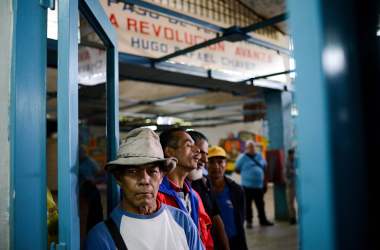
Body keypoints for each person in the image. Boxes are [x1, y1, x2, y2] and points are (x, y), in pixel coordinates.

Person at [85, 128, 204, 250]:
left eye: (152, 171)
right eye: (132, 171)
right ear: (119, 178)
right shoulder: (102, 237)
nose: (145, 180)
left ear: (162, 176)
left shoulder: (183, 222)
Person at [158, 128, 213, 250]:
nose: (197, 150)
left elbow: (206, 240)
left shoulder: (194, 196)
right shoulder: (155, 197)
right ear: (169, 152)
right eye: (188, 145)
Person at [188, 131, 230, 250]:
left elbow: (215, 216)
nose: (205, 159)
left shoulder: (203, 182)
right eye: (200, 152)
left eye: (206, 154)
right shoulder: (172, 190)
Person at [207, 146, 248, 250]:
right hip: (211, 243)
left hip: (235, 241)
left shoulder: (236, 190)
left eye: (220, 162)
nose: (216, 166)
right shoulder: (201, 190)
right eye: (211, 162)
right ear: (206, 165)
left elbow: (241, 218)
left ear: (226, 165)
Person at [235, 140, 274, 228]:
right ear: (246, 148)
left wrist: (265, 182)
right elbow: (237, 169)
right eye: (250, 147)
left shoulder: (259, 156)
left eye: (253, 147)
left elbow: (264, 168)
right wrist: (247, 174)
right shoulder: (242, 157)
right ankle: (249, 222)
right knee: (247, 205)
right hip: (246, 186)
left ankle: (263, 220)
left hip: (258, 186)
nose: (252, 148)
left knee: (260, 204)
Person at [286, 148, 297, 225]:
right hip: (290, 185)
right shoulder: (286, 162)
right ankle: (292, 218)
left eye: (293, 154)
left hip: (298, 184)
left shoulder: (297, 161)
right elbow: (285, 173)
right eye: (291, 154)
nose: (292, 156)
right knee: (290, 202)